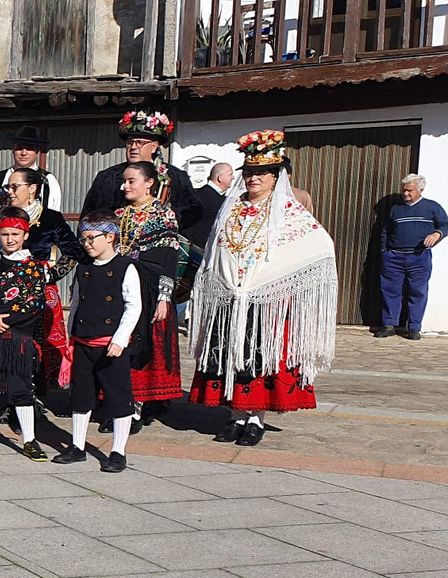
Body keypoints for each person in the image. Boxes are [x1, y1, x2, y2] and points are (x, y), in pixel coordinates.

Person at [190, 129, 337, 447]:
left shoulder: (287, 211)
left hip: (264, 299)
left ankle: (255, 419)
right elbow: (216, 249)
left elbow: (318, 245)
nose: (254, 178)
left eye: (261, 173)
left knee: (256, 358)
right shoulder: (231, 207)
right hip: (230, 296)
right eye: (250, 172)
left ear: (275, 176)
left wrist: (282, 281)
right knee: (228, 355)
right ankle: (234, 417)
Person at [0, 208, 78, 461]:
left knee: (21, 388)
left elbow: (37, 302)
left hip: (21, 338)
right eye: (4, 234)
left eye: (15, 234)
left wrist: (12, 323)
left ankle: (29, 439)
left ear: (25, 235)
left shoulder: (37, 268)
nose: (10, 239)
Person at [53, 211, 142, 473]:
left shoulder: (126, 267)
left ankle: (118, 451)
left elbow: (133, 305)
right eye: (83, 238)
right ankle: (77, 446)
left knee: (118, 397)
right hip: (83, 341)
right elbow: (78, 302)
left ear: (110, 237)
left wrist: (120, 338)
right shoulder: (84, 267)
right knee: (80, 396)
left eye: (92, 238)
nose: (87, 243)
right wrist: (70, 336)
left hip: (111, 346)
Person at [0, 167, 84, 400]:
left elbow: (74, 251)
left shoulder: (50, 218)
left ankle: (35, 395)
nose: (10, 191)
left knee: (37, 340)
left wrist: (51, 274)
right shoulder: (3, 215)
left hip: (40, 290)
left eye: (15, 187)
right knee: (9, 340)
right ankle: (8, 396)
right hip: (8, 290)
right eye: (8, 187)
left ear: (32, 189)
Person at [115, 162, 185, 429]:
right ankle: (119, 402)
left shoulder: (163, 214)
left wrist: (164, 296)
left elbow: (169, 257)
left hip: (150, 289)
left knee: (143, 348)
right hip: (122, 288)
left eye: (132, 181)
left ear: (149, 183)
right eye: (125, 181)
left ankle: (137, 406)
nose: (125, 186)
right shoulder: (120, 213)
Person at [81, 111, 203, 235]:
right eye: (130, 142)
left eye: (140, 142)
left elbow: (193, 212)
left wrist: (163, 223)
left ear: (154, 146)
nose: (133, 147)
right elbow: (88, 214)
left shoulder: (175, 177)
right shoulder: (108, 177)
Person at [378, 173, 445, 340]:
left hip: (419, 257)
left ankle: (414, 328)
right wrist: (384, 252)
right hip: (394, 257)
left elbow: (445, 224)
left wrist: (438, 234)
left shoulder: (431, 207)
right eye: (404, 190)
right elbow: (385, 232)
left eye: (410, 191)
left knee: (418, 292)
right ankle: (389, 325)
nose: (406, 194)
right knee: (390, 291)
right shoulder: (396, 209)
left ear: (420, 190)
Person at [0, 126, 63, 212]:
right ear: (13, 150)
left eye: (29, 148)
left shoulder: (47, 180)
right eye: (19, 148)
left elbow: (53, 214)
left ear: (37, 151)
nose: (23, 153)